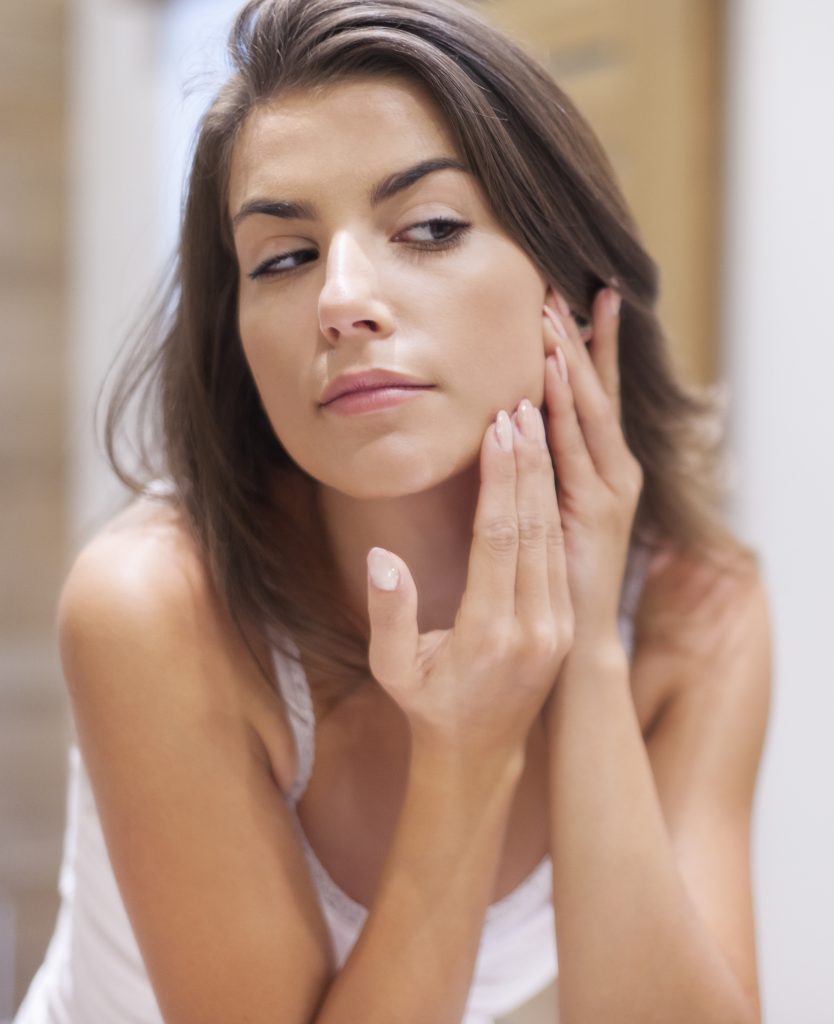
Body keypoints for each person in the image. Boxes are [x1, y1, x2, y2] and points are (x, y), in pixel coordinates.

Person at [14, 1, 772, 1022]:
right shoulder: (154, 605)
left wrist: (585, 650)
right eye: (283, 257)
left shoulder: (698, 618)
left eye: (429, 228)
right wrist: (465, 757)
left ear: (570, 282)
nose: (342, 297)